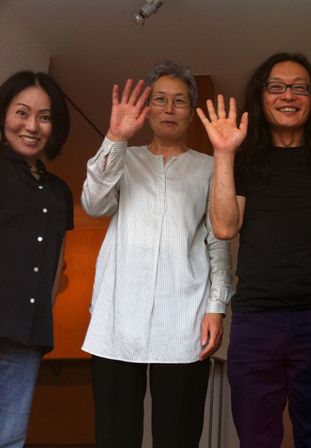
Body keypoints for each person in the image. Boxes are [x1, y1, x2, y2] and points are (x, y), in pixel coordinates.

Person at [197, 52, 311, 448]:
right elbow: (224, 227)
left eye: (299, 87)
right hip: (255, 321)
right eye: (276, 86)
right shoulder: (243, 160)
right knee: (257, 439)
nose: (288, 95)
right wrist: (224, 153)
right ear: (262, 95)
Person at [81, 60, 233, 448]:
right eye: (160, 99)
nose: (169, 108)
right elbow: (94, 204)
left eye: (179, 101)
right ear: (147, 108)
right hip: (117, 318)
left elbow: (218, 243)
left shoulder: (209, 168)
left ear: (191, 110)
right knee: (115, 437)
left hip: (185, 320)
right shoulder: (124, 158)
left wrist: (216, 307)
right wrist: (115, 137)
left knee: (178, 437)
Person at [0, 71, 73, 447]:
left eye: (45, 117)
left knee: (10, 438)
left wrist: (42, 309)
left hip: (27, 334)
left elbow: (56, 260)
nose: (32, 126)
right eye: (22, 112)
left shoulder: (60, 191)